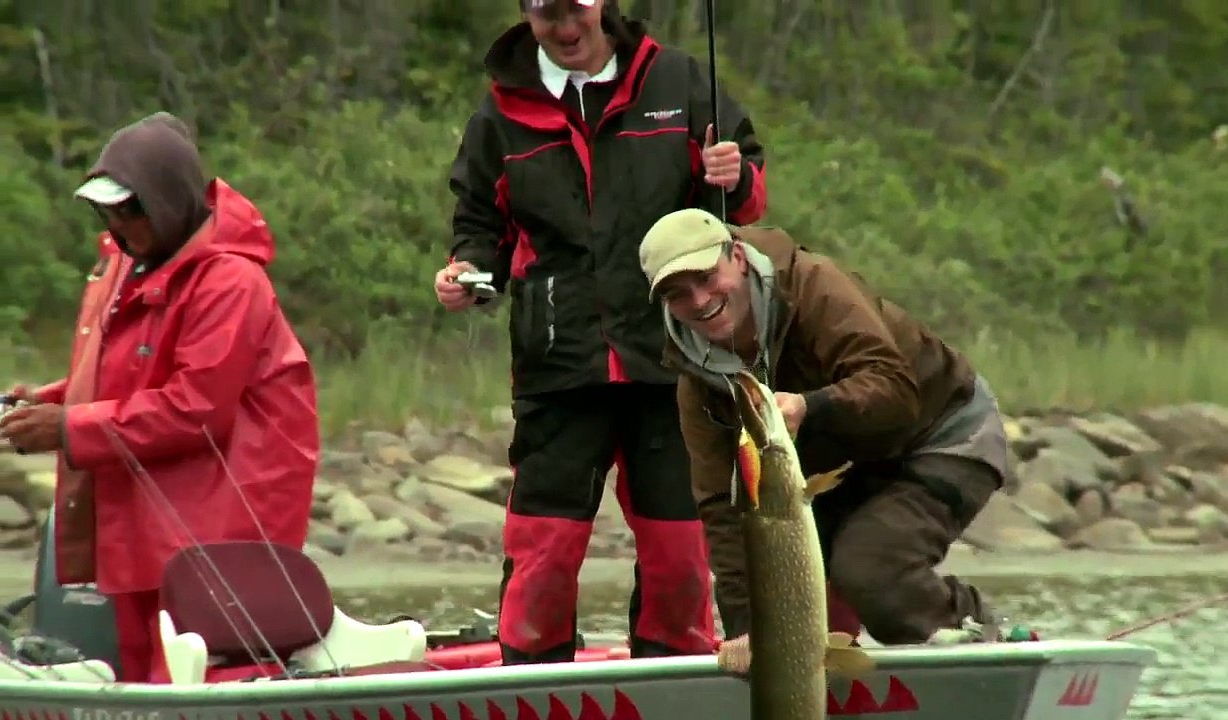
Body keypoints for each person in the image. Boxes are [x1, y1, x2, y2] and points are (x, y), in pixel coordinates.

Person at [432, 0, 767, 664]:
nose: (564, 28)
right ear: (527, 15)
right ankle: (528, 680)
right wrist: (465, 272)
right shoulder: (500, 115)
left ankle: (675, 680)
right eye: (546, 13)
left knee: (680, 553)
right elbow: (479, 225)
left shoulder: (679, 82)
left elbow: (746, 198)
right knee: (544, 550)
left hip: (673, 360)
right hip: (558, 367)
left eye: (577, 9)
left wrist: (736, 174)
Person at [0, 112, 320, 682]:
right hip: (139, 530)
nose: (122, 224)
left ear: (169, 200)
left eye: (133, 208)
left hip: (212, 538)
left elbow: (194, 410)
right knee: (146, 678)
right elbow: (123, 374)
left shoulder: (231, 282)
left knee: (191, 679)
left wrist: (67, 428)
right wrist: (44, 401)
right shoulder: (129, 267)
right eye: (110, 212)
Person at [639, 208, 1011, 646]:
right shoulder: (697, 381)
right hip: (843, 466)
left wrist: (809, 408)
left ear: (738, 257)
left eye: (706, 277)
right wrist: (745, 628)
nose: (700, 300)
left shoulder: (813, 287)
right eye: (678, 294)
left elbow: (894, 390)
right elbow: (723, 503)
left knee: (872, 574)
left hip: (943, 431)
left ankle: (984, 631)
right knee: (799, 605)